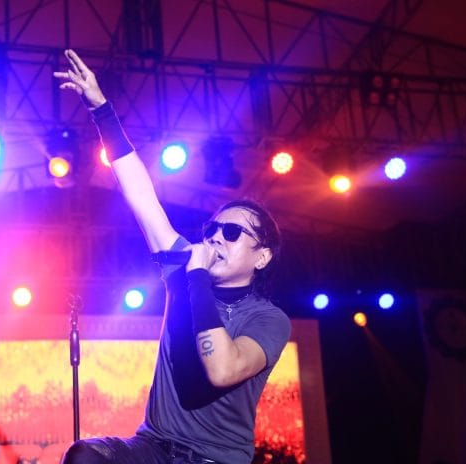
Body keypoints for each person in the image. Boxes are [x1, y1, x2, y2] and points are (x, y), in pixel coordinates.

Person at [54, 49, 291, 464]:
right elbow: (141, 195)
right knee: (86, 456)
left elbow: (222, 370)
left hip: (214, 459)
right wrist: (101, 109)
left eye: (232, 233)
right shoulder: (183, 265)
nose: (215, 238)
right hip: (153, 446)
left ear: (262, 257)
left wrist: (196, 278)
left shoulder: (268, 320)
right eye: (212, 229)